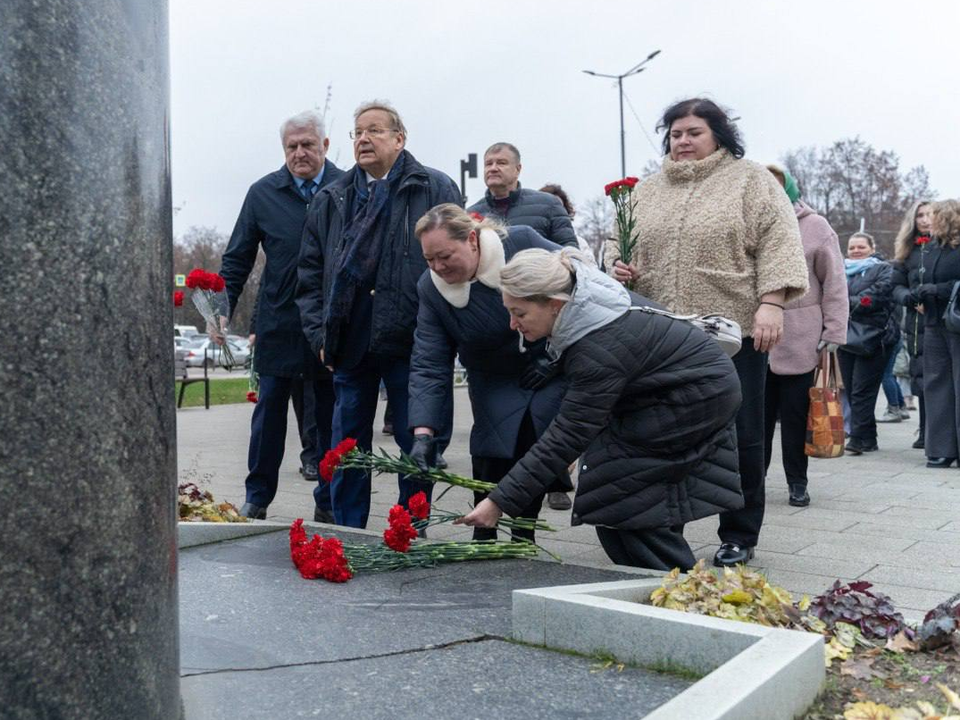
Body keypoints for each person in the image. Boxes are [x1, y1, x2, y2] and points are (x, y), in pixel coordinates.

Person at [605, 98, 808, 567]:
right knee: (661, 433)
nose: (683, 141)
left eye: (693, 132)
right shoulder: (647, 190)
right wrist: (616, 264)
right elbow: (617, 240)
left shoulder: (751, 180)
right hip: (659, 336)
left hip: (730, 334)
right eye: (675, 133)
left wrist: (772, 304)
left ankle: (739, 531)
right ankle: (663, 523)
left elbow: (779, 242)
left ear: (718, 133)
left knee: (742, 433)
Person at [456, 248, 743, 571]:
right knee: (615, 504)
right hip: (677, 392)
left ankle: (686, 591)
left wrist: (498, 502)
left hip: (693, 400)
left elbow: (569, 433)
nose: (512, 324)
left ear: (555, 304)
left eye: (519, 313)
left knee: (623, 503)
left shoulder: (596, 345)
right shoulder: (586, 310)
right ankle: (657, 589)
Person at [296, 100, 461, 528]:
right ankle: (348, 529)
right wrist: (318, 336)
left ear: (399, 139)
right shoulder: (333, 197)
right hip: (350, 340)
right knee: (347, 443)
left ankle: (409, 529)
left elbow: (456, 263)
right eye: (358, 133)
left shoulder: (434, 187)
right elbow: (310, 274)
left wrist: (448, 332)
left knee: (415, 442)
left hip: (414, 340)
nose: (363, 139)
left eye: (374, 131)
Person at [407, 204, 565, 541]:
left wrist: (555, 356)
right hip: (490, 372)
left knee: (531, 444)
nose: (438, 266)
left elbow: (577, 288)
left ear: (473, 240)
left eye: (445, 255)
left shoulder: (519, 243)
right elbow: (429, 362)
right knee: (489, 451)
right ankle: (484, 535)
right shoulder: (431, 287)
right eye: (429, 259)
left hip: (546, 364)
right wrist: (423, 433)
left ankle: (524, 535)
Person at [218, 111, 343, 521]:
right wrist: (221, 310)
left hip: (331, 325)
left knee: (330, 417)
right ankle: (257, 497)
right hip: (278, 323)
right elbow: (237, 259)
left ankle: (329, 501)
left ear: (325, 145)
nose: (299, 153)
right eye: (291, 146)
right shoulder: (263, 193)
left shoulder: (349, 187)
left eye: (307, 144)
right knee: (268, 415)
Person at [763, 164, 848, 507]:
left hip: (801, 338)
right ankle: (751, 482)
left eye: (776, 184)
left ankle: (797, 482)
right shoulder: (748, 223)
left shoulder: (815, 226)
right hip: (754, 338)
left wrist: (833, 332)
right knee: (755, 422)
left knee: (798, 418)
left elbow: (835, 283)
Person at [837, 232, 896, 455]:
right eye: (852, 247)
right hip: (847, 336)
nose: (856, 251)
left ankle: (858, 438)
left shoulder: (883, 268)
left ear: (872, 248)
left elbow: (875, 297)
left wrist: (845, 302)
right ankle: (868, 436)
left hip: (875, 337)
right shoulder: (839, 270)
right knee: (852, 389)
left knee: (863, 389)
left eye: (861, 246)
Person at [914, 200, 960, 467]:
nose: (928, 220)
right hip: (934, 323)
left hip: (956, 322)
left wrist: (937, 290)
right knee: (936, 385)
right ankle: (941, 448)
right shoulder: (930, 249)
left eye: (933, 215)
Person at [467, 143, 578, 248]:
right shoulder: (469, 215)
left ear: (518, 169)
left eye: (501, 163)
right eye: (488, 164)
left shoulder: (549, 205)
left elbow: (570, 253)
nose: (493, 168)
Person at [891, 200, 935, 449]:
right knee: (920, 377)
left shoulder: (947, 247)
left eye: (930, 214)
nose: (925, 219)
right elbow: (895, 286)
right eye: (920, 215)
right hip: (916, 323)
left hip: (941, 320)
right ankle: (925, 428)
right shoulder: (907, 251)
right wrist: (909, 298)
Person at [540, 183, 600, 265]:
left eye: (559, 208)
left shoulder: (580, 244)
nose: (555, 213)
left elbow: (591, 271)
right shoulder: (531, 242)